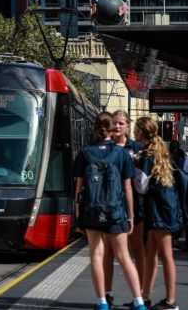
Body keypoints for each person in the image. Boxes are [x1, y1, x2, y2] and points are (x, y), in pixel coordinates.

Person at [74, 112, 145, 310]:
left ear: (96, 128)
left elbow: (78, 187)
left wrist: (78, 213)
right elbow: (128, 188)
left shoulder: (85, 152)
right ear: (112, 128)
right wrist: (130, 216)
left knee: (96, 254)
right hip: (115, 211)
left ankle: (102, 302)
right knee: (123, 256)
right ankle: (139, 302)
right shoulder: (121, 154)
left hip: (92, 211)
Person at [135, 117, 181, 310]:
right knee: (151, 253)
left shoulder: (147, 156)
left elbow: (141, 187)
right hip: (164, 209)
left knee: (166, 255)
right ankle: (144, 296)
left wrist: (132, 168)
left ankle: (171, 301)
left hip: (160, 211)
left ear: (141, 132)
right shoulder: (159, 152)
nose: (133, 132)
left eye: (135, 129)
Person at [103, 109, 145, 308]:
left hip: (134, 205)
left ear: (128, 126)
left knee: (137, 250)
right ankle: (108, 293)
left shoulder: (136, 148)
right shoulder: (105, 148)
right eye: (115, 123)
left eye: (121, 123)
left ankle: (141, 294)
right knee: (109, 253)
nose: (118, 126)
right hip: (111, 206)